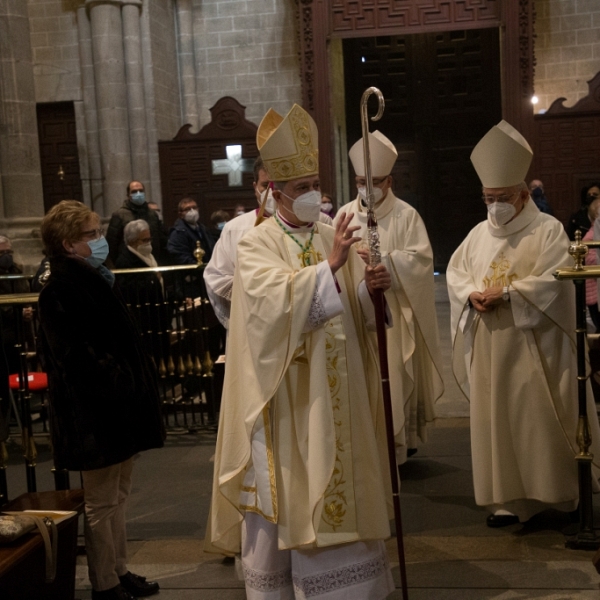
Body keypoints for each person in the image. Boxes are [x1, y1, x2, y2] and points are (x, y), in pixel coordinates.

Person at [207, 104, 395, 599]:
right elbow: (268, 313)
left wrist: (371, 288)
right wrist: (328, 268)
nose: (313, 194)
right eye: (302, 187)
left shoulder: (334, 230)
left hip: (339, 396)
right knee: (289, 492)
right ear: (275, 192)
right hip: (286, 399)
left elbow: (352, 309)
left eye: (315, 183)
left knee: (344, 478)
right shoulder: (256, 242)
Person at [447, 120, 600, 528]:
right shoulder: (478, 234)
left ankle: (561, 497)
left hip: (536, 347)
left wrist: (510, 293)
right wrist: (469, 294)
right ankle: (506, 500)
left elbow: (558, 276)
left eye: (500, 198)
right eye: (487, 197)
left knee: (536, 420)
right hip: (491, 345)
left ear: (520, 195)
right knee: (497, 423)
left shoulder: (548, 230)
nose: (493, 205)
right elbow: (456, 272)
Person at [37, 201, 165, 600]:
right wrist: (121, 383)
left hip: (118, 409)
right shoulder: (60, 288)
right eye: (90, 235)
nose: (99, 240)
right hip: (93, 413)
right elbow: (75, 360)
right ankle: (104, 583)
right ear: (67, 243)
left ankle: (120, 569)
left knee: (119, 497)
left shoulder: (98, 278)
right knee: (101, 503)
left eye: (97, 232)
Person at [336, 130, 444, 463]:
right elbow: (333, 257)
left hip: (396, 312)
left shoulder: (406, 216)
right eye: (359, 181)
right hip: (358, 310)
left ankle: (399, 445)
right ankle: (371, 447)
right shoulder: (344, 215)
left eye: (375, 180)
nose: (366, 188)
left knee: (396, 376)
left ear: (389, 180)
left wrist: (387, 266)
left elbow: (422, 261)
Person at [204, 156, 332, 328]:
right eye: (266, 185)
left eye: (275, 185)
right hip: (256, 324)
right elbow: (216, 278)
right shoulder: (236, 229)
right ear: (255, 187)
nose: (271, 192)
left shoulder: (322, 222)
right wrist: (255, 289)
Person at [115, 220, 167, 359]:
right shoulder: (125, 261)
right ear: (132, 241)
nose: (149, 243)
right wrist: (153, 280)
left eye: (150, 239)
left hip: (156, 312)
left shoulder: (148, 255)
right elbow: (130, 289)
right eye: (145, 240)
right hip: (144, 318)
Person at [106, 180, 169, 266]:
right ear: (128, 195)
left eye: (141, 191)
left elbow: (160, 238)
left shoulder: (152, 214)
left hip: (151, 260)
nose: (138, 193)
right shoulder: (119, 215)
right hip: (130, 263)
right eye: (134, 191)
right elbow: (112, 243)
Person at [167, 197, 214, 265]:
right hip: (192, 272)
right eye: (187, 209)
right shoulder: (178, 233)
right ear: (180, 214)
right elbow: (180, 256)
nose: (192, 211)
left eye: (194, 208)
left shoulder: (203, 229)